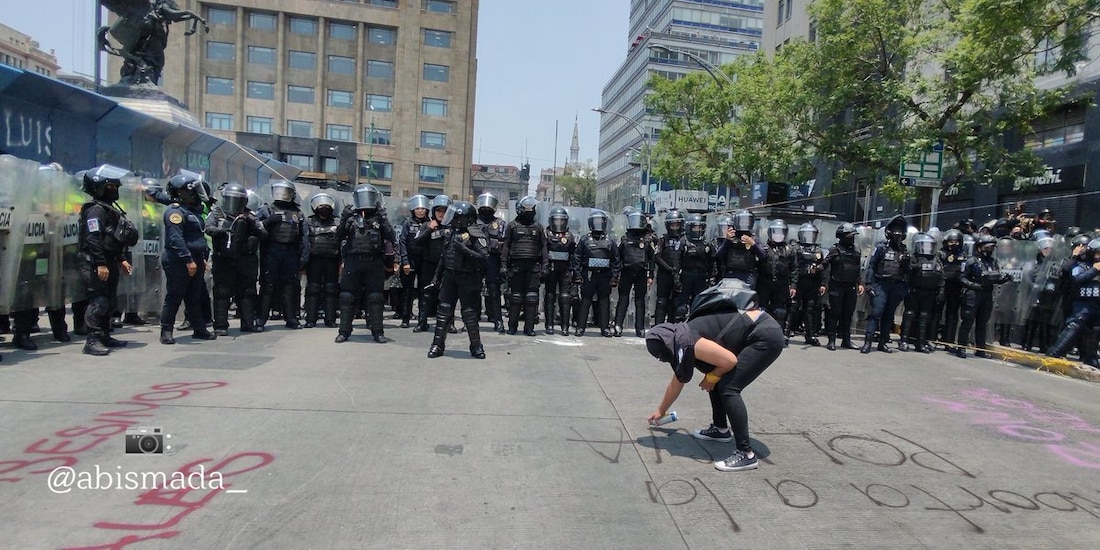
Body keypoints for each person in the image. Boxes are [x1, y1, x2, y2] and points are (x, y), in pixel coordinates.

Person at [645, 281, 784, 472]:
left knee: (728, 387)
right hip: (758, 330)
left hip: (765, 335)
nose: (663, 360)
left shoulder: (689, 340)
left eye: (661, 356)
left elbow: (729, 361)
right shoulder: (681, 336)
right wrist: (661, 411)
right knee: (717, 378)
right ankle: (720, 429)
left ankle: (746, 454)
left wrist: (711, 377)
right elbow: (677, 381)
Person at [77, 165, 137, 355]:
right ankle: (92, 340)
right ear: (98, 188)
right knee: (99, 301)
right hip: (94, 261)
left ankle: (104, 335)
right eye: (110, 187)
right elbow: (93, 239)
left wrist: (121, 259)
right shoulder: (95, 210)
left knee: (110, 301)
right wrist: (100, 263)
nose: (115, 190)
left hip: (108, 260)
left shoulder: (109, 209)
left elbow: (111, 238)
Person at [335, 184, 398, 343]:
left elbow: (392, 236)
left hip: (374, 262)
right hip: (353, 261)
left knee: (376, 297)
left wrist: (384, 218)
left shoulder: (379, 218)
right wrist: (343, 219)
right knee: (347, 296)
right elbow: (339, 237)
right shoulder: (351, 218)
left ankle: (377, 331)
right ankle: (344, 331)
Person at [159, 173, 215, 344]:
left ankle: (199, 329)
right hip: (179, 261)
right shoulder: (175, 212)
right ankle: (166, 331)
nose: (194, 194)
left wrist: (202, 258)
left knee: (194, 296)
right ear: (180, 192)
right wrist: (188, 260)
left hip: (195, 259)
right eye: (190, 191)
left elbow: (198, 238)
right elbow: (176, 240)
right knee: (175, 296)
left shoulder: (193, 211)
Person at [427, 201, 488, 358]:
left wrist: (464, 249)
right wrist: (436, 278)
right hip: (450, 277)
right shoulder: (451, 232)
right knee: (444, 312)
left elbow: (483, 258)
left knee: (469, 314)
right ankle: (437, 345)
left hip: (468, 277)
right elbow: (444, 257)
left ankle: (476, 347)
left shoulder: (476, 233)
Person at [205, 183, 266, 336]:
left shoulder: (250, 215)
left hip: (245, 260)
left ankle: (247, 323)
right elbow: (208, 228)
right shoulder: (217, 213)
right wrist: (222, 231)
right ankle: (220, 325)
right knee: (222, 292)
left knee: (247, 292)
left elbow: (264, 233)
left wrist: (249, 223)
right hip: (223, 259)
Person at [256, 180, 310, 330]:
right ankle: (261, 319)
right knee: (268, 285)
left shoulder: (298, 213)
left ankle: (291, 318)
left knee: (289, 287)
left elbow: (304, 236)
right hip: (271, 251)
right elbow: (255, 227)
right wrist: (268, 222)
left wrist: (304, 257)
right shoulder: (267, 209)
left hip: (290, 252)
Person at [956, 234, 1012, 358]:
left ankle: (980, 349)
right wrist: (973, 285)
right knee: (967, 322)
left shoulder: (992, 262)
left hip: (987, 295)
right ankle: (961, 347)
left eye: (991, 248)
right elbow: (962, 278)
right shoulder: (971, 261)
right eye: (986, 247)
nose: (989, 250)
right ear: (979, 247)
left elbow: (996, 277)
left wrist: (1005, 279)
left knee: (982, 323)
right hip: (972, 295)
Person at [861, 216, 911, 354]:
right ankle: (868, 342)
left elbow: (908, 272)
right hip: (881, 284)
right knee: (876, 313)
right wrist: (869, 284)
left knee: (889, 315)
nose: (897, 233)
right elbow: (872, 266)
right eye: (895, 230)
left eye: (900, 231)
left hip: (896, 286)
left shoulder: (904, 251)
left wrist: (906, 263)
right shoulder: (881, 248)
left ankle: (883, 343)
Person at [1046, 238, 1100, 364]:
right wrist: (1094, 270)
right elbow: (1077, 279)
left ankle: (1091, 356)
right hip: (1082, 302)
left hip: (1096, 303)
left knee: (1096, 329)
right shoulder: (1082, 265)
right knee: (1075, 325)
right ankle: (1056, 351)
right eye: (1098, 253)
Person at [501, 196, 547, 336]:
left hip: (533, 266)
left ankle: (529, 328)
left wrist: (545, 265)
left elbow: (544, 247)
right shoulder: (512, 226)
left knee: (532, 298)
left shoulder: (538, 228)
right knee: (515, 297)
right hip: (516, 265)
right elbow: (506, 246)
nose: (528, 212)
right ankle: (512, 327)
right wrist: (503, 265)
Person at [572, 210, 620, 337]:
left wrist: (615, 276)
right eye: (596, 221)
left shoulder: (610, 240)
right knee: (585, 300)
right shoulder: (585, 239)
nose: (598, 224)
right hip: (589, 274)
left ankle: (605, 328)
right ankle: (580, 328)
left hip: (605, 275)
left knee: (604, 301)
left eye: (601, 221)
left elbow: (616, 260)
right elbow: (577, 258)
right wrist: (577, 275)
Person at [820, 223, 864, 351]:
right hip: (837, 286)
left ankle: (846, 340)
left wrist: (860, 283)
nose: (852, 238)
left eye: (853, 236)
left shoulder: (856, 250)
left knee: (848, 314)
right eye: (849, 236)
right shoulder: (834, 249)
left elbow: (857, 269)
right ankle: (831, 340)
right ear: (842, 236)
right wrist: (817, 271)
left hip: (851, 286)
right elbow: (825, 265)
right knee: (834, 313)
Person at [899, 233, 943, 352]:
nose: (927, 248)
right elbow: (907, 271)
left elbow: (941, 276)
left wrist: (941, 291)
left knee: (924, 317)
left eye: (930, 246)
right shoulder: (913, 257)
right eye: (924, 245)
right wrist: (912, 266)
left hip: (929, 292)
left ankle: (921, 343)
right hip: (914, 291)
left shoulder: (936, 259)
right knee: (909, 315)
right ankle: (904, 340)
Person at [413, 195, 451, 332]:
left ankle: (448, 323)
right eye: (439, 211)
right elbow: (416, 242)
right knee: (425, 295)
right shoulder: (426, 225)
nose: (441, 214)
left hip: (447, 266)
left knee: (447, 296)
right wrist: (429, 229)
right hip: (428, 265)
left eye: (444, 211)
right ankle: (422, 322)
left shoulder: (453, 227)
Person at [614, 210, 655, 338]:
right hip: (626, 272)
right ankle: (618, 325)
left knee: (640, 301)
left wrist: (650, 275)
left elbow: (652, 259)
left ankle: (640, 328)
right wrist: (617, 273)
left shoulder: (648, 240)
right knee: (623, 299)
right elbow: (618, 256)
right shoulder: (625, 238)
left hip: (641, 273)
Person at [304, 193, 341, 328]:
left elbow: (342, 241)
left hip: (332, 260)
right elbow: (304, 241)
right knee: (313, 289)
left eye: (326, 205)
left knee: (331, 289)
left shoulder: (337, 222)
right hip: (314, 260)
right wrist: (303, 261)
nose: (324, 207)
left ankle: (330, 319)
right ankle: (310, 319)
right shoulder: (309, 222)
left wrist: (343, 261)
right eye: (321, 205)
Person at [787, 223, 825, 346]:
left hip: (812, 283)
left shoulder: (818, 250)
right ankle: (786, 333)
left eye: (811, 234)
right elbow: (792, 267)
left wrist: (822, 283)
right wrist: (792, 284)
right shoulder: (795, 249)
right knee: (792, 307)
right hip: (798, 282)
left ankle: (810, 335)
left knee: (810, 309)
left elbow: (823, 268)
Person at [397, 195, 431, 329]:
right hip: (410, 259)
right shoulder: (407, 223)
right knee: (407, 291)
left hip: (425, 261)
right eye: (418, 208)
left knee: (424, 291)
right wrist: (405, 261)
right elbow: (403, 242)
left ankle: (423, 320)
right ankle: (405, 317)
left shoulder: (430, 223)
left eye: (423, 208)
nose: (421, 211)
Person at [543, 206, 576, 335]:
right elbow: (543, 252)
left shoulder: (569, 235)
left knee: (565, 297)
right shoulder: (546, 234)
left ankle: (565, 327)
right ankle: (549, 324)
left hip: (565, 269)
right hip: (551, 268)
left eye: (561, 221)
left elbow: (574, 254)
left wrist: (574, 272)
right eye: (556, 220)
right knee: (550, 296)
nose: (558, 223)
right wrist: (544, 267)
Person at [676, 214, 716, 321]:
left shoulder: (707, 243)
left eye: (700, 227)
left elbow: (712, 261)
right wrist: (676, 278)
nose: (697, 230)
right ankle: (679, 325)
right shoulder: (683, 241)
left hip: (702, 276)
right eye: (695, 227)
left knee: (699, 302)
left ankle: (695, 324)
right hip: (686, 275)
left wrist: (712, 277)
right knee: (682, 304)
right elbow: (677, 261)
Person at [476, 192, 506, 332]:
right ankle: (472, 318)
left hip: (493, 260)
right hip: (475, 258)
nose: (486, 206)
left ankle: (497, 320)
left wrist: (504, 264)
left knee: (494, 291)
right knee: (473, 289)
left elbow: (505, 244)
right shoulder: (473, 222)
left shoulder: (499, 223)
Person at [714, 210, 764, 286]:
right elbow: (720, 256)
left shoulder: (754, 239)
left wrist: (753, 244)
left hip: (747, 275)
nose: (744, 224)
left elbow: (763, 257)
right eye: (742, 221)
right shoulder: (731, 237)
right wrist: (727, 240)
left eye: (746, 221)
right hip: (730, 274)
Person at [653, 210, 686, 325]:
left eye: (677, 225)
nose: (675, 227)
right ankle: (658, 326)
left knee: (676, 302)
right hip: (664, 274)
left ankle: (673, 326)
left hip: (679, 275)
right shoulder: (663, 239)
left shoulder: (684, 239)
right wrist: (668, 268)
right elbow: (657, 256)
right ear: (668, 225)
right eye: (672, 225)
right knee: (662, 301)